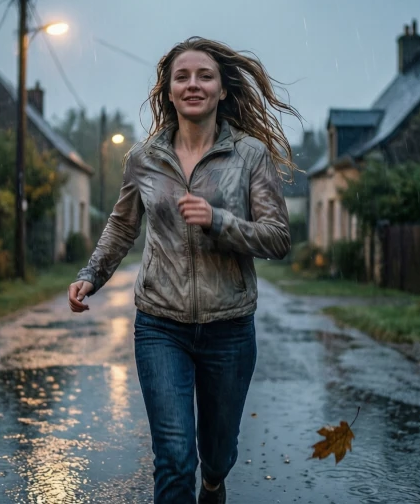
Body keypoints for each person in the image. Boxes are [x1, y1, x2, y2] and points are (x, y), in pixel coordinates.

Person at [68, 36, 296, 503]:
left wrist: (220, 222)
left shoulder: (249, 155)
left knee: (216, 454)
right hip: (160, 325)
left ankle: (214, 483)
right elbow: (122, 225)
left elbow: (278, 237)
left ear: (222, 90)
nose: (193, 84)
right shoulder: (144, 159)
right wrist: (92, 274)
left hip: (229, 327)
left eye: (204, 76)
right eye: (182, 77)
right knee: (173, 457)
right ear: (168, 91)